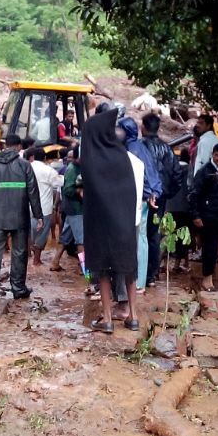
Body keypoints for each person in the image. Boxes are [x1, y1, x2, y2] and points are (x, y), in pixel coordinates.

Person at [80, 107, 139, 333]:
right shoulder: (120, 155)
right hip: (124, 225)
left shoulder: (91, 160)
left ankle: (106, 319)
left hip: (100, 227)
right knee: (128, 269)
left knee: (103, 271)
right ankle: (133, 316)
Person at [0, 134, 43, 299]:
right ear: (18, 147)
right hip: (20, 216)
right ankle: (18, 288)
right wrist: (39, 215)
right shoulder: (24, 165)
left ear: (5, 145)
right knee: (19, 252)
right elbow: (33, 192)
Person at [116, 116, 161, 291]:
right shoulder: (141, 148)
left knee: (136, 240)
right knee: (141, 239)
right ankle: (139, 281)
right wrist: (154, 193)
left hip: (136, 200)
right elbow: (152, 173)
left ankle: (135, 282)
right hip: (145, 198)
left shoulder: (130, 151)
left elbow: (145, 176)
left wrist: (150, 193)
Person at [189, 142, 218, 291]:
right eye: (217, 155)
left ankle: (217, 277)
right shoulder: (204, 171)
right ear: (212, 154)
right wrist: (196, 215)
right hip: (208, 216)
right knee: (209, 248)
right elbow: (194, 194)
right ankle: (207, 279)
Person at [141, 113, 176, 284]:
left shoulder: (139, 147)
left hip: (142, 197)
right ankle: (152, 274)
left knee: (140, 233)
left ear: (143, 127)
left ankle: (140, 274)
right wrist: (167, 193)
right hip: (160, 197)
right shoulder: (167, 149)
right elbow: (176, 174)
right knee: (154, 234)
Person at [50, 148, 83, 272]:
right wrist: (80, 191)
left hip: (73, 209)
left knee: (65, 238)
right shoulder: (71, 170)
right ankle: (86, 273)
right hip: (76, 209)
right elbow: (67, 190)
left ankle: (55, 261)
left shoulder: (79, 167)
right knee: (81, 241)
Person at [29, 147, 62, 267]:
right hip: (44, 207)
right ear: (45, 158)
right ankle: (36, 260)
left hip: (28, 206)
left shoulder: (27, 167)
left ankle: (29, 257)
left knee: (30, 231)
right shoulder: (49, 170)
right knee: (42, 233)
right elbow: (59, 183)